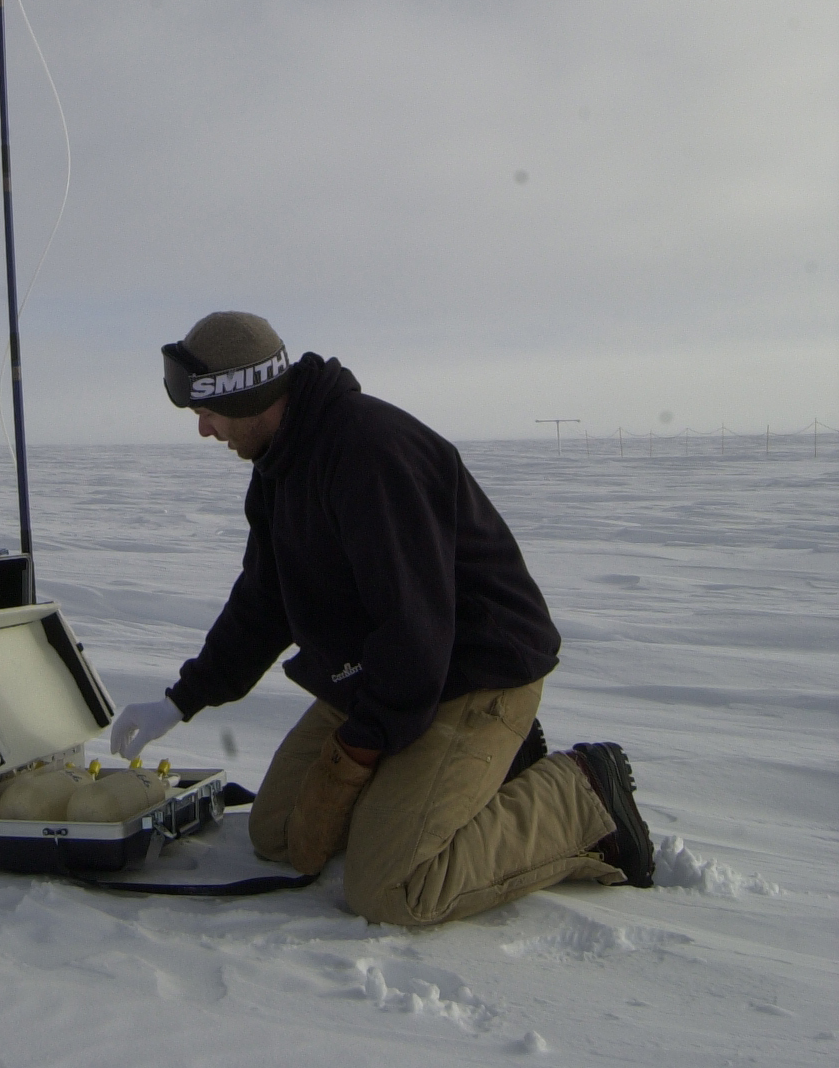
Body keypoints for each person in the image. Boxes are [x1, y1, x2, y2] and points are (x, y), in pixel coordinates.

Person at [110, 311, 655, 927]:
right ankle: (470, 776)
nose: (205, 431)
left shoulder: (370, 454)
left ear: (252, 395)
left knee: (392, 889)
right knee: (280, 834)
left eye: (208, 413)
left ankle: (580, 794)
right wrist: (180, 701)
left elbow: (416, 636)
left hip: (473, 672)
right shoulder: (280, 470)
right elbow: (263, 603)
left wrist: (358, 752)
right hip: (383, 674)